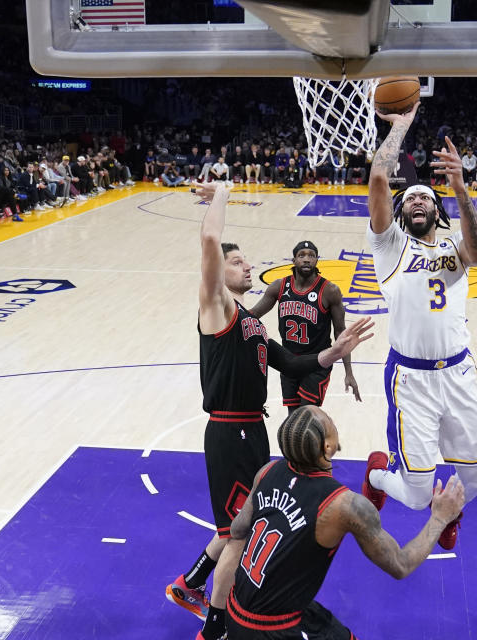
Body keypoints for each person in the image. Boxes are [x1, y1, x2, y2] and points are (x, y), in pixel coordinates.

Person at [164, 181, 374, 640]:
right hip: (229, 431)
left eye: (247, 261)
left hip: (252, 430)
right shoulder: (217, 310)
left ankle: (190, 585)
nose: (248, 266)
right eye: (237, 261)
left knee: (239, 528)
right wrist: (221, 193)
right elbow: (209, 243)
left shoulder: (252, 323)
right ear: (218, 272)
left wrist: (335, 352)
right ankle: (213, 623)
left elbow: (296, 362)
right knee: (238, 533)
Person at [362, 102, 477, 551]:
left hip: (458, 372)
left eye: (426, 199)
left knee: (476, 479)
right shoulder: (389, 246)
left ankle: (450, 510)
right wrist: (400, 127)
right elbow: (380, 180)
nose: (417, 200)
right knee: (416, 498)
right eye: (411, 198)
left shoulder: (456, 248)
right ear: (401, 213)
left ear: (439, 214)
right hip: (411, 379)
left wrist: (459, 188)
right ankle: (378, 473)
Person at [223, 406, 466, 639]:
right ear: (327, 446)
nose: (333, 419)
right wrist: (440, 517)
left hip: (236, 608)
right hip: (276, 627)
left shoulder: (266, 471)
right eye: (329, 419)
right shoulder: (344, 505)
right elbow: (400, 565)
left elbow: (237, 529)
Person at [248, 240, 361, 414]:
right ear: (293, 261)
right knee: (293, 418)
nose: (306, 259)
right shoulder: (279, 286)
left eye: (311, 256)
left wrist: (349, 372)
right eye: (301, 255)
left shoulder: (330, 290)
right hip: (288, 361)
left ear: (317, 261)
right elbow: (254, 314)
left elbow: (341, 333)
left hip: (317, 362)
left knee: (306, 416)